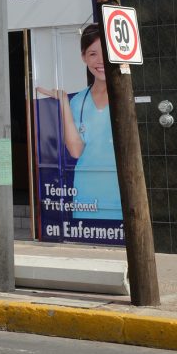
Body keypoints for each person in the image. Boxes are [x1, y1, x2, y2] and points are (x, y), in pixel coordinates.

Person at [37, 24, 121, 220]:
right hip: (87, 193)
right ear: (83, 57)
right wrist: (64, 103)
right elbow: (75, 151)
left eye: (106, 53)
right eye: (92, 54)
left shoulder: (126, 98)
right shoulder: (78, 101)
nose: (100, 61)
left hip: (120, 190)